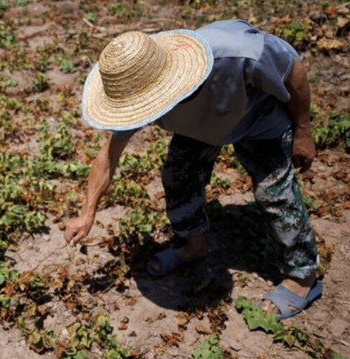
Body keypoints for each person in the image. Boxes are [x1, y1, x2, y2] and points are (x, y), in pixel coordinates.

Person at [63, 20, 321, 319]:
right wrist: (87, 211)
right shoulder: (134, 85)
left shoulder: (239, 54)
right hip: (199, 127)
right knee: (178, 174)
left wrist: (303, 131)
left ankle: (303, 276)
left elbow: (294, 70)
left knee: (274, 193)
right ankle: (193, 245)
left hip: (257, 116)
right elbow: (108, 156)